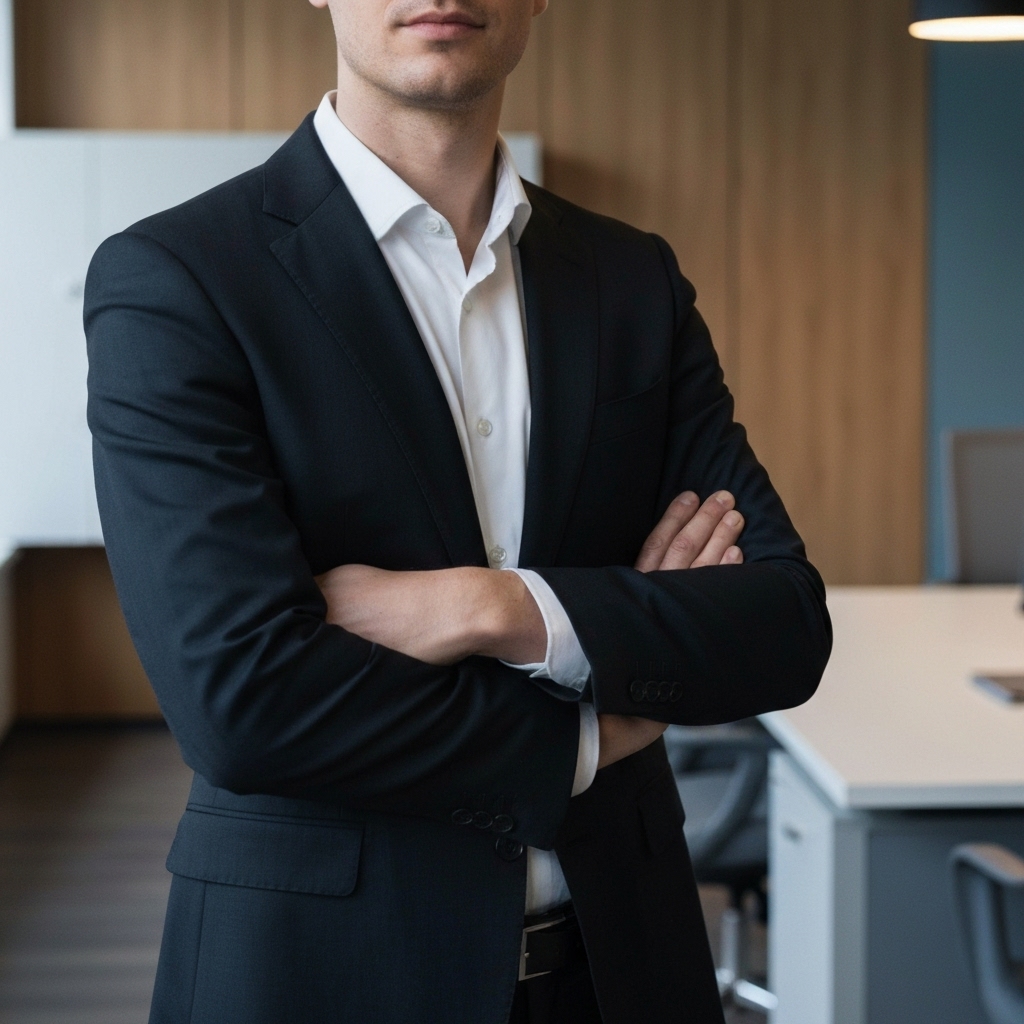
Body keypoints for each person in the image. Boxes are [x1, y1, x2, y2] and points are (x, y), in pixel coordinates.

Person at [83, 0, 832, 1021]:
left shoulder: (631, 280)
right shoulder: (180, 278)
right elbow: (241, 701)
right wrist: (587, 733)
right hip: (322, 973)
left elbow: (782, 624)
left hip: (622, 968)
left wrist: (487, 607)